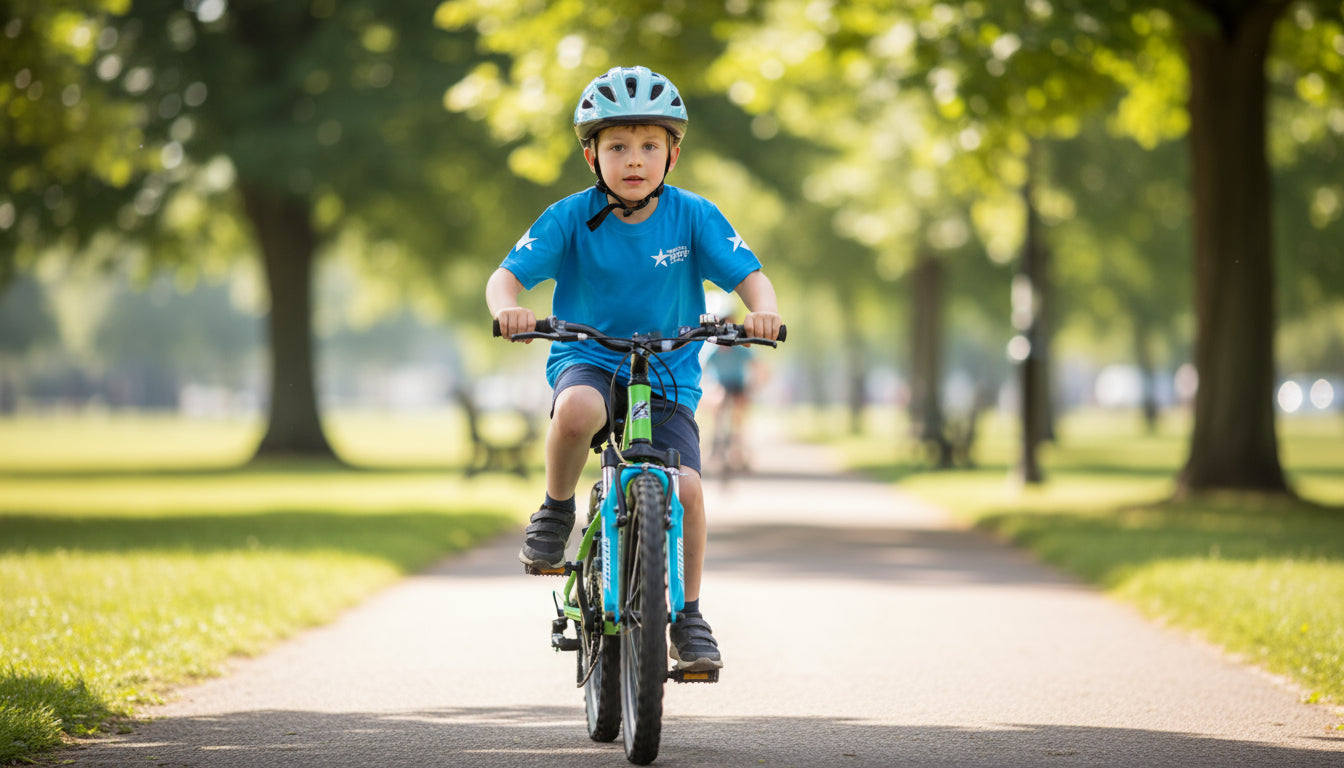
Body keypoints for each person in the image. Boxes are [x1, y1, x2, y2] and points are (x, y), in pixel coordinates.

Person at [486, 65, 783, 672]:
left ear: (672, 155)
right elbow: (506, 275)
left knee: (690, 489)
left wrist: (764, 313)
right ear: (592, 155)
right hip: (589, 356)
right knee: (578, 409)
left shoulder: (693, 215)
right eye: (617, 146)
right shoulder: (570, 216)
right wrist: (510, 308)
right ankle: (556, 506)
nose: (634, 159)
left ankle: (690, 616)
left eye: (649, 145)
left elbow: (750, 276)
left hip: (667, 371)